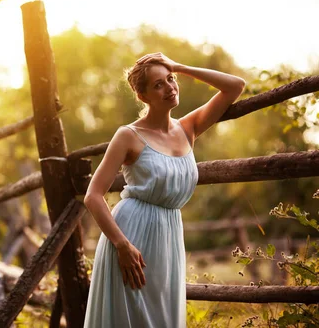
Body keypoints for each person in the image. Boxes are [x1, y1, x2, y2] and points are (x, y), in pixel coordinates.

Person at [83, 52, 246, 327]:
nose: (169, 87)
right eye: (158, 84)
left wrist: (179, 66)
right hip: (130, 237)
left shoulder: (188, 128)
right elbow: (93, 195)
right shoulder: (128, 135)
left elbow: (235, 86)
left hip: (169, 236)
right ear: (143, 96)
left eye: (171, 79)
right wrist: (122, 245)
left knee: (163, 318)